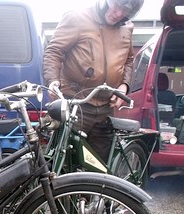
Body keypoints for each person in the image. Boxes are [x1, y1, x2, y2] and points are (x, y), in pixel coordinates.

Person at [43, 0, 144, 162]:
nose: (118, 14)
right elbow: (54, 51)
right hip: (76, 103)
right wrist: (52, 81)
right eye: (116, 6)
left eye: (125, 11)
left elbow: (129, 60)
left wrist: (124, 86)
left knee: (100, 163)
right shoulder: (77, 18)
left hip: (106, 106)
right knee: (66, 160)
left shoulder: (127, 28)